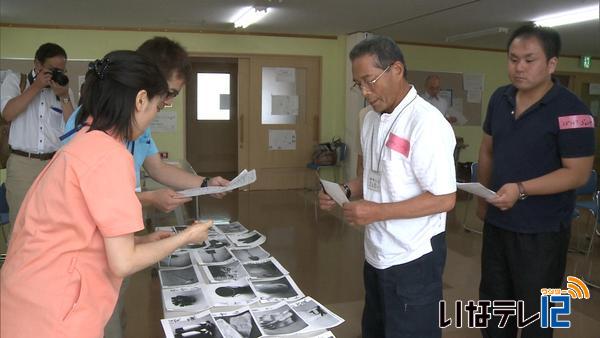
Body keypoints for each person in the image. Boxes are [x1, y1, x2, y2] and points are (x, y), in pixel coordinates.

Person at [0, 50, 213, 338]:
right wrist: (186, 237)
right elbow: (123, 262)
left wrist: (139, 240)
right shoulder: (111, 155)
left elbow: (77, 227)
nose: (153, 117)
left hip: (25, 300)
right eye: (156, 107)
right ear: (140, 100)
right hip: (54, 315)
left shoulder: (86, 139)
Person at [320, 36, 456, 338]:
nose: (365, 92)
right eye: (358, 84)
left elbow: (445, 199)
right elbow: (375, 177)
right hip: (377, 251)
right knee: (377, 329)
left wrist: (377, 211)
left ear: (396, 69)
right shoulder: (369, 119)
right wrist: (345, 189)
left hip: (414, 256)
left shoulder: (426, 124)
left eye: (370, 81)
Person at [477, 24, 595, 338]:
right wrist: (481, 198)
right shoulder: (500, 99)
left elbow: (578, 173)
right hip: (498, 224)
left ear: (551, 64)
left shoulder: (573, 110)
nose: (519, 67)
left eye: (529, 60)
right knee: (494, 309)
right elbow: (487, 150)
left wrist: (522, 189)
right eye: (513, 59)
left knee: (538, 318)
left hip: (543, 233)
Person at [62, 37, 230, 213]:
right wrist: (149, 198)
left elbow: (157, 167)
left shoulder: (137, 124)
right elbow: (90, 198)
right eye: (167, 93)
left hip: (120, 221)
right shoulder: (87, 128)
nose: (166, 102)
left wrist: (206, 184)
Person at [0, 42, 75, 237]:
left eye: (62, 70)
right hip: (22, 163)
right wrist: (36, 87)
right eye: (52, 70)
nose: (57, 74)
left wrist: (65, 96)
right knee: (20, 223)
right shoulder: (16, 81)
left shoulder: (64, 91)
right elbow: (8, 114)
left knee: (53, 222)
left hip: (54, 164)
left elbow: (73, 131)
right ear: (37, 64)